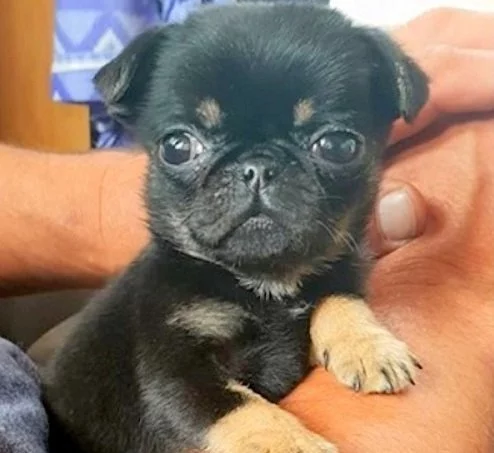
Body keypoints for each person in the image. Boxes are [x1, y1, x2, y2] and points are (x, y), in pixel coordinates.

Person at [0, 5, 493, 453]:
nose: (256, 177)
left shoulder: (334, 281)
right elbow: (180, 386)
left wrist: (347, 323)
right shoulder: (174, 293)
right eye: (183, 148)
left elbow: (323, 302)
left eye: (332, 146)